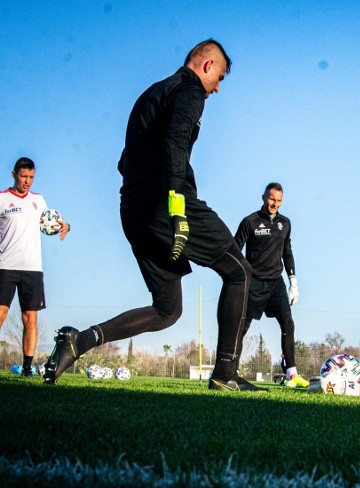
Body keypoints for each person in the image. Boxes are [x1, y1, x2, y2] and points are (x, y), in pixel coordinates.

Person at [43, 39, 266, 392]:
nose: (218, 88)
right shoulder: (189, 90)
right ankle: (225, 372)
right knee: (239, 271)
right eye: (219, 77)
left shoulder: (152, 93)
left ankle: (79, 342)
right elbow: (175, 144)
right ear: (207, 66)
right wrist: (177, 208)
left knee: (167, 310)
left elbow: (124, 160)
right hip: (167, 204)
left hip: (133, 207)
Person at [0, 157, 71, 377]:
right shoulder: (2, 199)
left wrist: (66, 225)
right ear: (14, 175)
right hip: (5, 266)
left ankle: (28, 367)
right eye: (23, 176)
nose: (27, 181)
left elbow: (50, 221)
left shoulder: (38, 200)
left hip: (33, 268)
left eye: (31, 177)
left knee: (30, 318)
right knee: (1, 313)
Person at [234, 182, 304, 385]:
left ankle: (291, 373)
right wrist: (238, 278)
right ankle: (231, 369)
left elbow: (287, 252)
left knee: (288, 323)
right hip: (253, 282)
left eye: (279, 201)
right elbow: (235, 249)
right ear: (264, 197)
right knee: (241, 327)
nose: (275, 204)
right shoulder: (250, 222)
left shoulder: (285, 223)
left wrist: (293, 281)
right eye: (272, 199)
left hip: (276, 283)